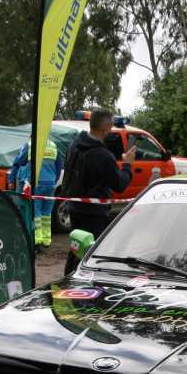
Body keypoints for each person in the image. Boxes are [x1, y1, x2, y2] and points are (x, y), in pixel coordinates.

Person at [60, 109, 136, 275]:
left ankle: (68, 279)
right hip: (94, 214)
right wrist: (127, 165)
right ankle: (84, 284)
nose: (111, 129)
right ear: (105, 128)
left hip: (74, 208)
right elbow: (119, 185)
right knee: (91, 255)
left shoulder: (74, 145)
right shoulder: (102, 154)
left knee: (76, 249)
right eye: (111, 125)